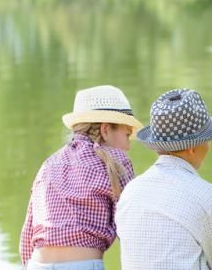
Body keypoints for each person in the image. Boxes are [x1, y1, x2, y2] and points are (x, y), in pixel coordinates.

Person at [19, 85, 143, 270]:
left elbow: (27, 235)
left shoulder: (49, 163)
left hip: (37, 264)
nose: (128, 146)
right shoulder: (116, 160)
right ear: (105, 129)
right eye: (126, 135)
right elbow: (132, 227)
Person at [115, 88, 212, 270]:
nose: (208, 146)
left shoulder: (130, 191)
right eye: (207, 139)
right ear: (192, 147)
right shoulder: (207, 197)